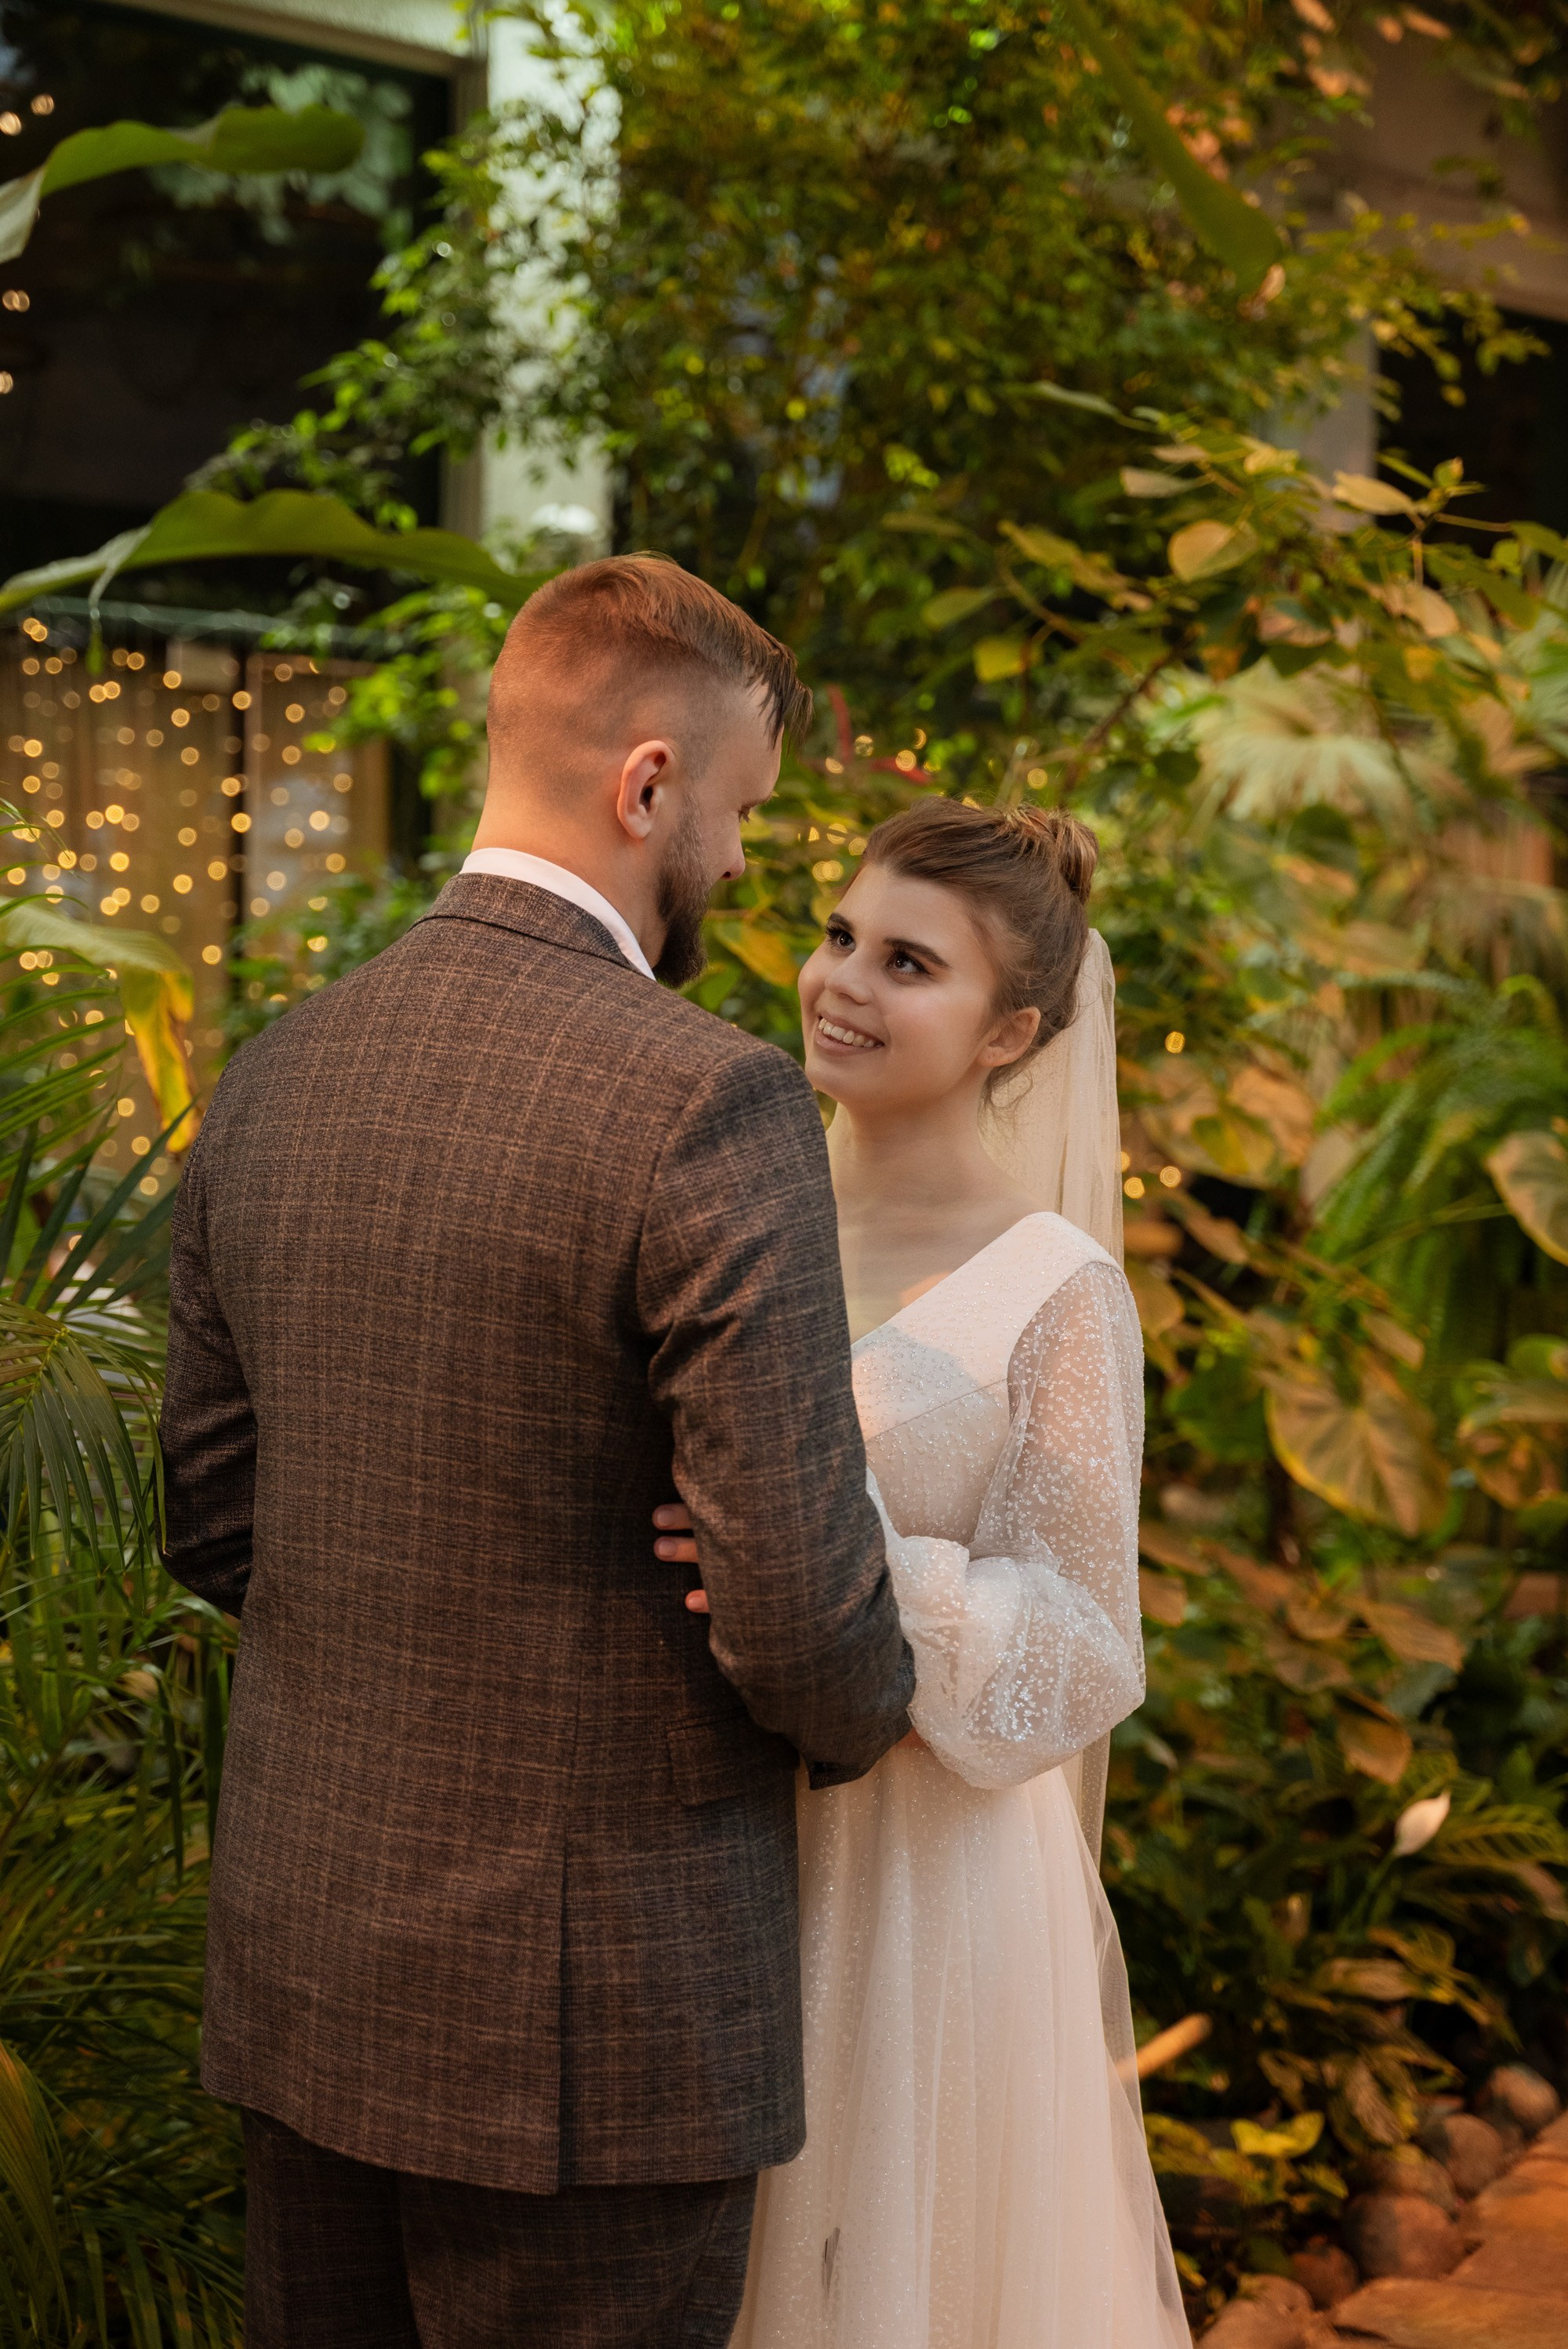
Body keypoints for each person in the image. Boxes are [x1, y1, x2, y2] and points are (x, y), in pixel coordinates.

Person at [158, 554, 915, 2349]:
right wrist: (873, 1706)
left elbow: (210, 1517)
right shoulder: (706, 1096)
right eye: (737, 812)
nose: (739, 862)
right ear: (646, 784)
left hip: (310, 1971)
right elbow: (806, 1613)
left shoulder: (268, 1071)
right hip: (593, 2029)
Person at [661, 800, 1190, 2346]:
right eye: (838, 935)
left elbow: (1084, 1640)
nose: (842, 980)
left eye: (907, 962)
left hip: (920, 1877)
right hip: (701, 1831)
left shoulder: (1052, 1284)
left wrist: (844, 1558)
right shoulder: (726, 1224)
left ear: (1008, 1028)